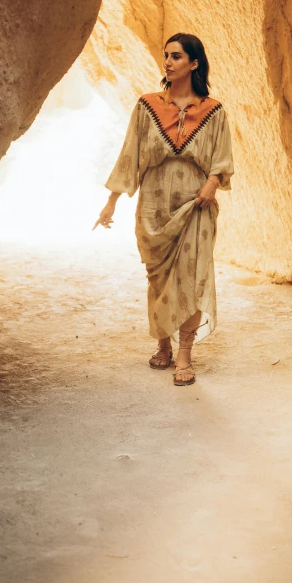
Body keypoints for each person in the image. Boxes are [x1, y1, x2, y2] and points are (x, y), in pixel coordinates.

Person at [93, 33, 234, 386]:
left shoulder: (213, 110)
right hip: (154, 204)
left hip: (196, 203)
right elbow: (130, 155)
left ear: (194, 63)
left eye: (176, 56)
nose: (167, 62)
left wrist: (212, 184)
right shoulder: (147, 106)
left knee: (192, 276)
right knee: (159, 277)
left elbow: (222, 158)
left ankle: (184, 353)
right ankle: (162, 343)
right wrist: (111, 202)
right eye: (165, 56)